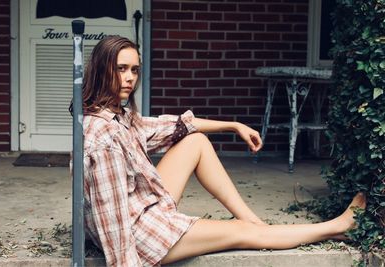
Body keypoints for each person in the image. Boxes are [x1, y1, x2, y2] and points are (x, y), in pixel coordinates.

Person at [79, 35, 366, 267]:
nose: (130, 78)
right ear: (103, 70)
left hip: (141, 208)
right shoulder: (102, 137)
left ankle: (253, 221)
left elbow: (175, 125)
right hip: (139, 235)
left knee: (195, 140)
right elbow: (114, 221)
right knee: (244, 234)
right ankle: (336, 226)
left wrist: (233, 125)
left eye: (134, 69)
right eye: (120, 69)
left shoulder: (118, 115)